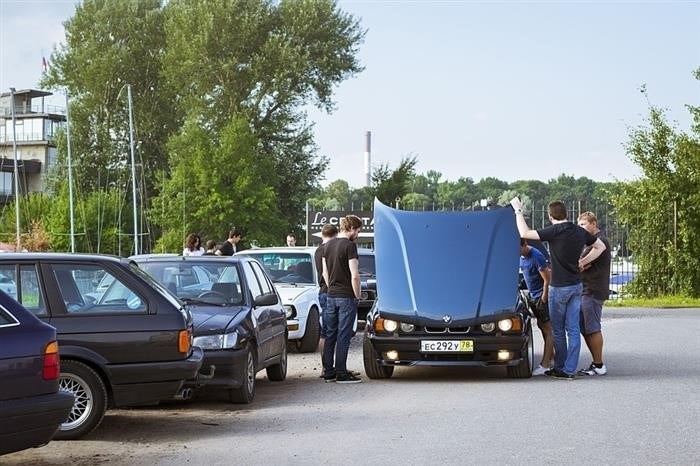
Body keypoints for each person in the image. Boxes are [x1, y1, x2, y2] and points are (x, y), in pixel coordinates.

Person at [510, 197, 606, 380]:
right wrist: (583, 261)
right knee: (573, 329)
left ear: (550, 215)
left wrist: (518, 210)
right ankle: (570, 370)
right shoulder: (579, 231)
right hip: (577, 286)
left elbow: (524, 231)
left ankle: (560, 366)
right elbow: (599, 246)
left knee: (558, 330)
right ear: (567, 213)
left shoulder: (553, 231)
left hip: (559, 287)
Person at [321, 215, 362, 384]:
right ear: (351, 228)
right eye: (358, 230)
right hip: (346, 296)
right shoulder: (350, 246)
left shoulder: (327, 246)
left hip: (331, 295)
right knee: (343, 336)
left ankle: (329, 372)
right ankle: (342, 373)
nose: (358, 233)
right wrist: (357, 295)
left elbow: (324, 273)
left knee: (330, 334)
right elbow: (355, 275)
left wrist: (332, 289)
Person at [576, 211, 611, 376]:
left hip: (593, 290)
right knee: (585, 327)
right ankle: (596, 363)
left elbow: (582, 263)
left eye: (583, 224)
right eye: (579, 225)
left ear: (593, 223)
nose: (580, 228)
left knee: (593, 327)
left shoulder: (599, 242)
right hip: (586, 290)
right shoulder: (590, 243)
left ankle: (599, 364)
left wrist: (579, 263)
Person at [519, 238, 554, 376]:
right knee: (541, 325)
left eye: (519, 249)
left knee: (547, 329)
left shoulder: (536, 256)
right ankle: (552, 356)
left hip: (540, 296)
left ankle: (545, 364)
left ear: (525, 244)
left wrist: (544, 297)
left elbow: (547, 278)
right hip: (533, 295)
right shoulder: (522, 256)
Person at [315, 224, 339, 343]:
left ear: (322, 235)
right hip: (331, 291)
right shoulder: (331, 249)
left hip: (323, 291)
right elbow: (326, 273)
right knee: (335, 331)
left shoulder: (317, 250)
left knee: (325, 331)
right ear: (335, 235)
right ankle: (332, 359)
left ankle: (325, 360)